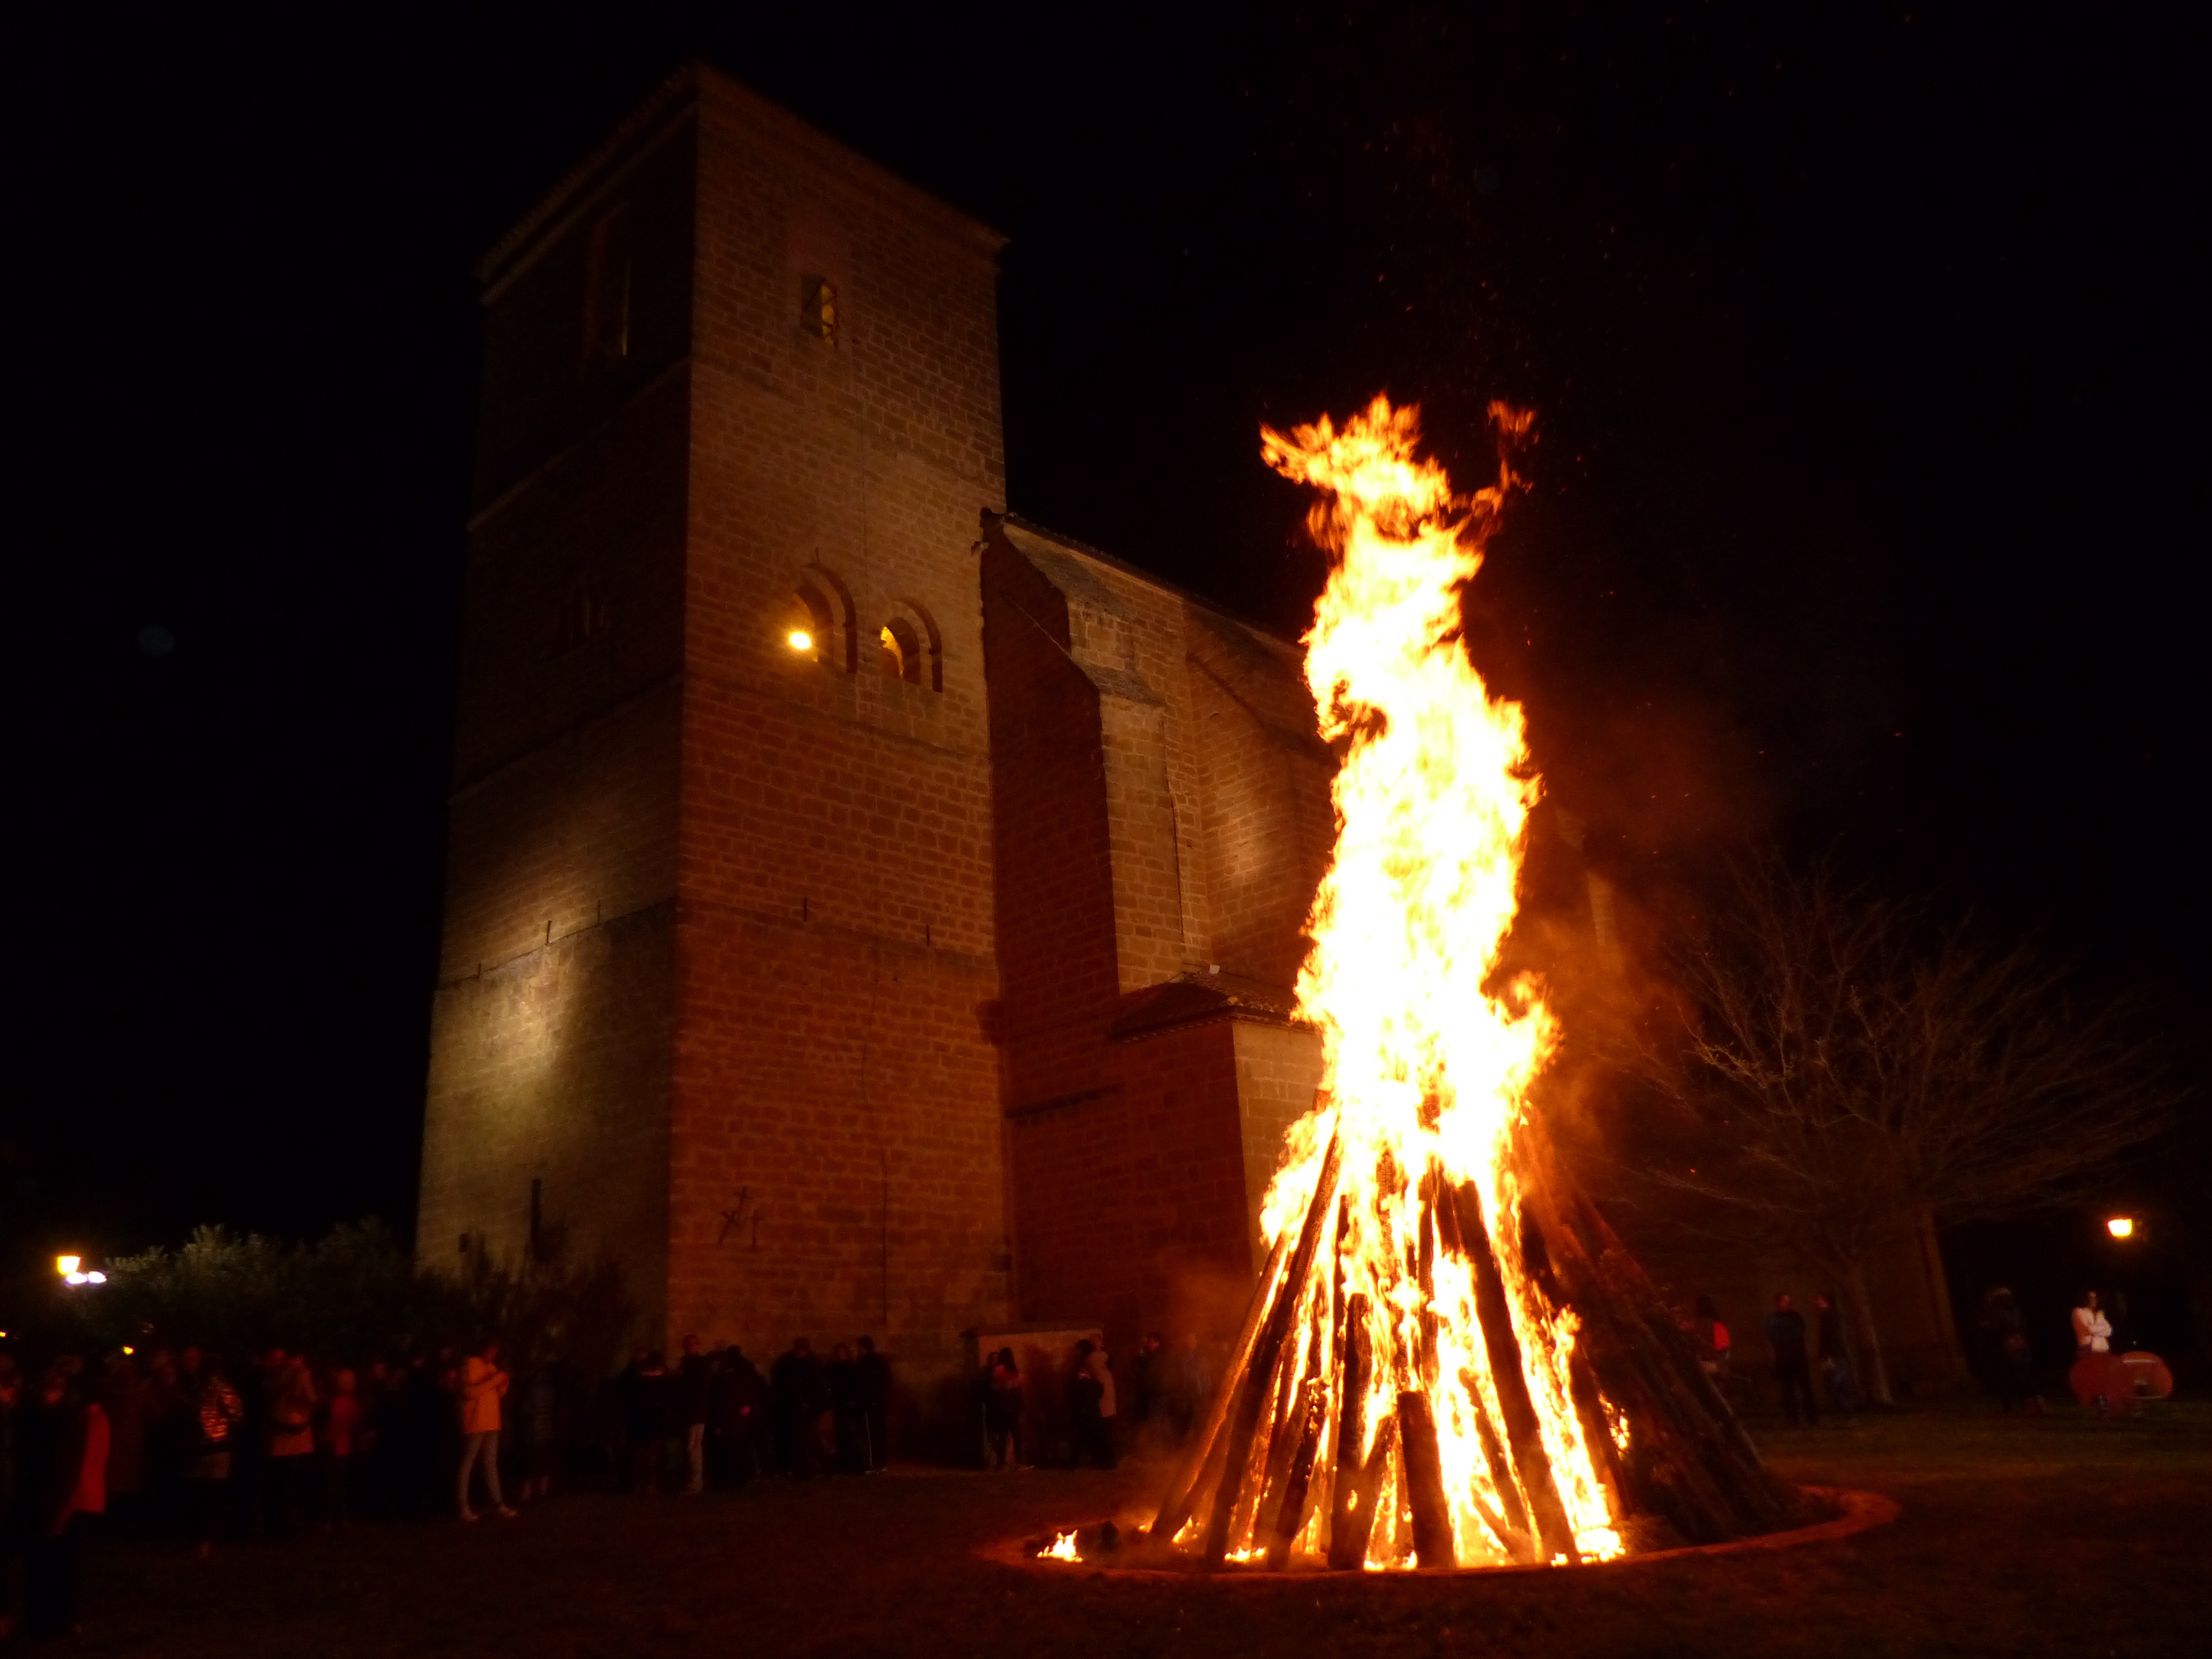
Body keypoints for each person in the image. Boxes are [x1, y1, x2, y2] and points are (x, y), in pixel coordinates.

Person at [19, 1361, 107, 1640]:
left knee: (64, 1564)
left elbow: (72, 1467)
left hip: (64, 1500)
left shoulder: (72, 1421)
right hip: (39, 1497)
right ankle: (41, 1619)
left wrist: (62, 1510)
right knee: (40, 1564)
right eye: (47, 1389)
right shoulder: (33, 1418)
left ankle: (59, 1618)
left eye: (55, 1389)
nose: (50, 1395)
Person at [185, 1358, 244, 1558]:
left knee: (204, 1494)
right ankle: (205, 1539)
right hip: (216, 1447)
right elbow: (237, 1416)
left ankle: (203, 1539)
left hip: (206, 1446)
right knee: (210, 1494)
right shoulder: (220, 1390)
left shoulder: (200, 1389)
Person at [456, 1339, 516, 1520]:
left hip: (492, 1422)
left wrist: (503, 1382)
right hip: (476, 1422)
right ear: (483, 1348)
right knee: (468, 1463)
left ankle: (497, 1503)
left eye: (495, 1351)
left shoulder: (492, 1367)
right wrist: (495, 1380)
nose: (493, 1354)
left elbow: (497, 1393)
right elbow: (469, 1392)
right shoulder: (470, 1364)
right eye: (490, 1350)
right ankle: (463, 1507)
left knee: (490, 1464)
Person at [266, 1351, 317, 1537]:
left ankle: (275, 1522)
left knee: (278, 1482)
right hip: (294, 1435)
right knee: (291, 1483)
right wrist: (303, 1417)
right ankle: (287, 1524)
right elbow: (311, 1399)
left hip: (278, 1433)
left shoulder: (272, 1375)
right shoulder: (300, 1374)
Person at [1983, 1287, 2043, 1414]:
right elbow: (2023, 1325)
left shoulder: (1998, 1312)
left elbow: (1998, 1327)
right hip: (2020, 1342)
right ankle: (2034, 1401)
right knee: (2025, 1371)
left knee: (2010, 1374)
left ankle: (2019, 1403)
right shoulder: (2016, 1310)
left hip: (2005, 1345)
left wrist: (1988, 1327)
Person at [1764, 1293, 1819, 1426]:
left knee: (1806, 1388)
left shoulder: (1796, 1317)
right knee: (1788, 1390)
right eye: (1784, 1301)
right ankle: (1793, 1418)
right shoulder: (1774, 1318)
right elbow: (1773, 1335)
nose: (1787, 1303)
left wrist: (1785, 1337)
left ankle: (1812, 1418)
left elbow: (1798, 1333)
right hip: (1784, 1359)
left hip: (1799, 1358)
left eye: (1788, 1301)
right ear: (1778, 1302)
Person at [2070, 1290, 2126, 1417]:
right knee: (2091, 1377)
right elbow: (2086, 1329)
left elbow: (2109, 1331)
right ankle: (2094, 1403)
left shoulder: (2100, 1314)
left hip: (2101, 1349)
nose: (2093, 1301)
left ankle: (2106, 1404)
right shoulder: (2078, 1312)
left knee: (2104, 1377)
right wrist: (2098, 1329)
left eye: (2095, 1298)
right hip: (2087, 1348)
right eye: (2090, 1298)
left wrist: (2095, 1330)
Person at [321, 1368, 359, 1530]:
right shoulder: (351, 1403)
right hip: (343, 1446)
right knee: (340, 1484)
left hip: (333, 1445)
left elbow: (332, 1426)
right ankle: (342, 1518)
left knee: (332, 1484)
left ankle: (330, 1519)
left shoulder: (335, 1403)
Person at [1815, 1292, 1859, 1424]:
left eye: (1819, 1299)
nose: (1817, 1302)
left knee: (1835, 1386)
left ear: (1825, 1302)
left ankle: (1850, 1414)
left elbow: (1830, 1339)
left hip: (1834, 1357)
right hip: (1837, 1356)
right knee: (1841, 1386)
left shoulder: (1829, 1318)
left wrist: (1827, 1357)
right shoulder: (1829, 1317)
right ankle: (1850, 1415)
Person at [677, 1336, 711, 1495]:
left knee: (693, 1449)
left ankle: (695, 1483)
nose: (688, 1347)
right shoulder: (687, 1364)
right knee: (690, 1448)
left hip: (695, 1414)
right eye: (687, 1344)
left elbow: (701, 1391)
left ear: (698, 1346)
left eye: (692, 1344)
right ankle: (694, 1481)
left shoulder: (699, 1365)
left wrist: (695, 1409)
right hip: (688, 1412)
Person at [983, 1347, 1024, 1472]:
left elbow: (994, 1388)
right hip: (1012, 1408)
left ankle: (1001, 1463)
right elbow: (1017, 1388)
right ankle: (1019, 1462)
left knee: (1002, 1436)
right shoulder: (1012, 1370)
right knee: (1017, 1436)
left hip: (1001, 1408)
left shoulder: (997, 1371)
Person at [854, 1336, 891, 1472]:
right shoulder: (881, 1362)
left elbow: (865, 1384)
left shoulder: (865, 1363)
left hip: (870, 1403)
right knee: (880, 1434)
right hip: (880, 1402)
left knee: (870, 1435)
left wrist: (867, 1400)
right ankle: (881, 1463)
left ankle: (873, 1464)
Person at [1692, 1296, 1732, 1379]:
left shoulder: (1718, 1328)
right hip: (1701, 1367)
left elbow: (1722, 1354)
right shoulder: (1694, 1327)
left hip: (1714, 1367)